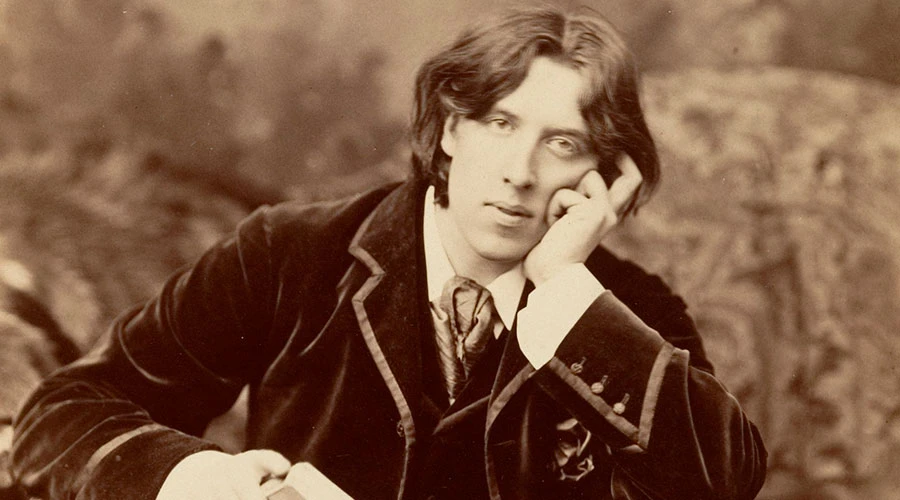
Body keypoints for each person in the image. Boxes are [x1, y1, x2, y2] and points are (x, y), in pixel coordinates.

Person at [11, 7, 767, 500]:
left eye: (562, 143)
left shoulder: (625, 311)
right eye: (501, 124)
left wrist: (564, 291)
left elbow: (724, 484)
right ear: (451, 128)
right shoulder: (290, 253)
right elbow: (64, 411)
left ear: (603, 174)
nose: (521, 171)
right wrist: (201, 479)